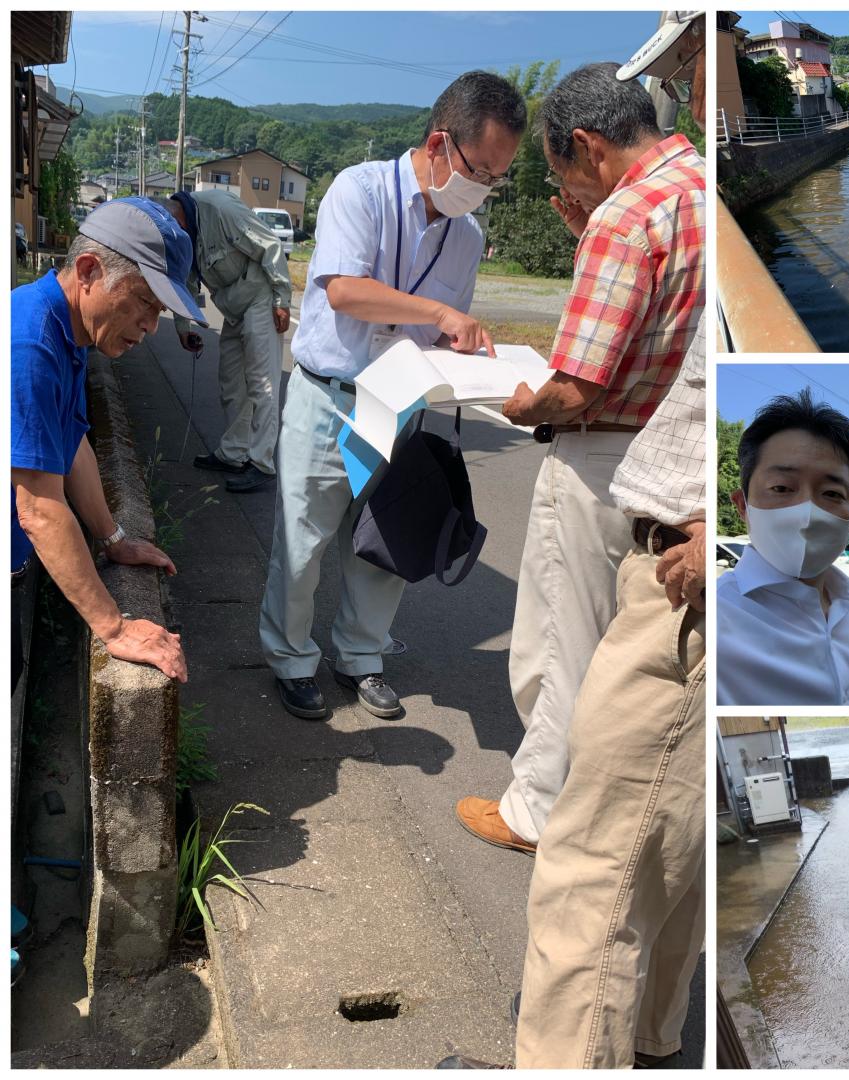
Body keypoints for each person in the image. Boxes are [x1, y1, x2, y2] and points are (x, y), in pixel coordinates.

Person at [440, 15, 707, 1068]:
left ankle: (534, 804)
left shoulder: (625, 218)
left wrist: (514, 396)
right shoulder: (699, 190)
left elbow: (577, 384)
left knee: (563, 650)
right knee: (637, 698)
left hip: (608, 463)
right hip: (678, 471)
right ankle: (660, 1028)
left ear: (586, 148)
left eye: (564, 173)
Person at [258, 72, 526, 720]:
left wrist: (462, 356)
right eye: (480, 171)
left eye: (498, 179)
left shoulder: (464, 237)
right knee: (304, 539)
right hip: (330, 395)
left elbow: (440, 328)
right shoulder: (361, 190)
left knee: (383, 542)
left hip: (397, 404)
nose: (485, 189)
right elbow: (344, 290)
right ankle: (291, 659)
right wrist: (436, 313)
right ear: (440, 145)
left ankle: (360, 656)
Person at [12, 197, 205, 688]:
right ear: (89, 270)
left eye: (158, 311)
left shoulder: (65, 332)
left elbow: (72, 445)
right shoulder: (29, 343)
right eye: (145, 303)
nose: (149, 327)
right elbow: (38, 508)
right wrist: (114, 628)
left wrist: (114, 540)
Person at [715, 389, 849, 706]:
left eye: (831, 493)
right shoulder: (713, 624)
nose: (807, 512)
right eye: (782, 488)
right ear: (742, 505)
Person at [162, 189, 292, 494]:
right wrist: (182, 327)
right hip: (232, 305)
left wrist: (282, 298)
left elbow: (269, 245)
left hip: (260, 296)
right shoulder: (179, 235)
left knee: (262, 383)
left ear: (180, 220)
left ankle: (262, 464)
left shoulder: (220, 210)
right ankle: (233, 454)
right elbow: (184, 281)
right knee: (231, 383)